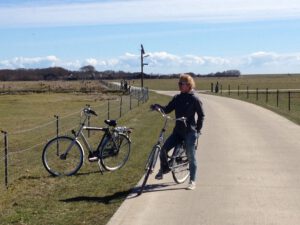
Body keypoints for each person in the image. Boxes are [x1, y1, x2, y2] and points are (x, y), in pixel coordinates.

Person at [151, 74, 204, 190]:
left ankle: (192, 181)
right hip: (178, 132)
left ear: (188, 85)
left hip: (190, 132)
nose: (179, 86)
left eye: (181, 84)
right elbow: (167, 109)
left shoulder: (194, 99)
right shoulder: (177, 98)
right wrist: (157, 107)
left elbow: (201, 115)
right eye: (179, 83)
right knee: (163, 150)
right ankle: (164, 168)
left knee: (191, 157)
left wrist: (198, 130)